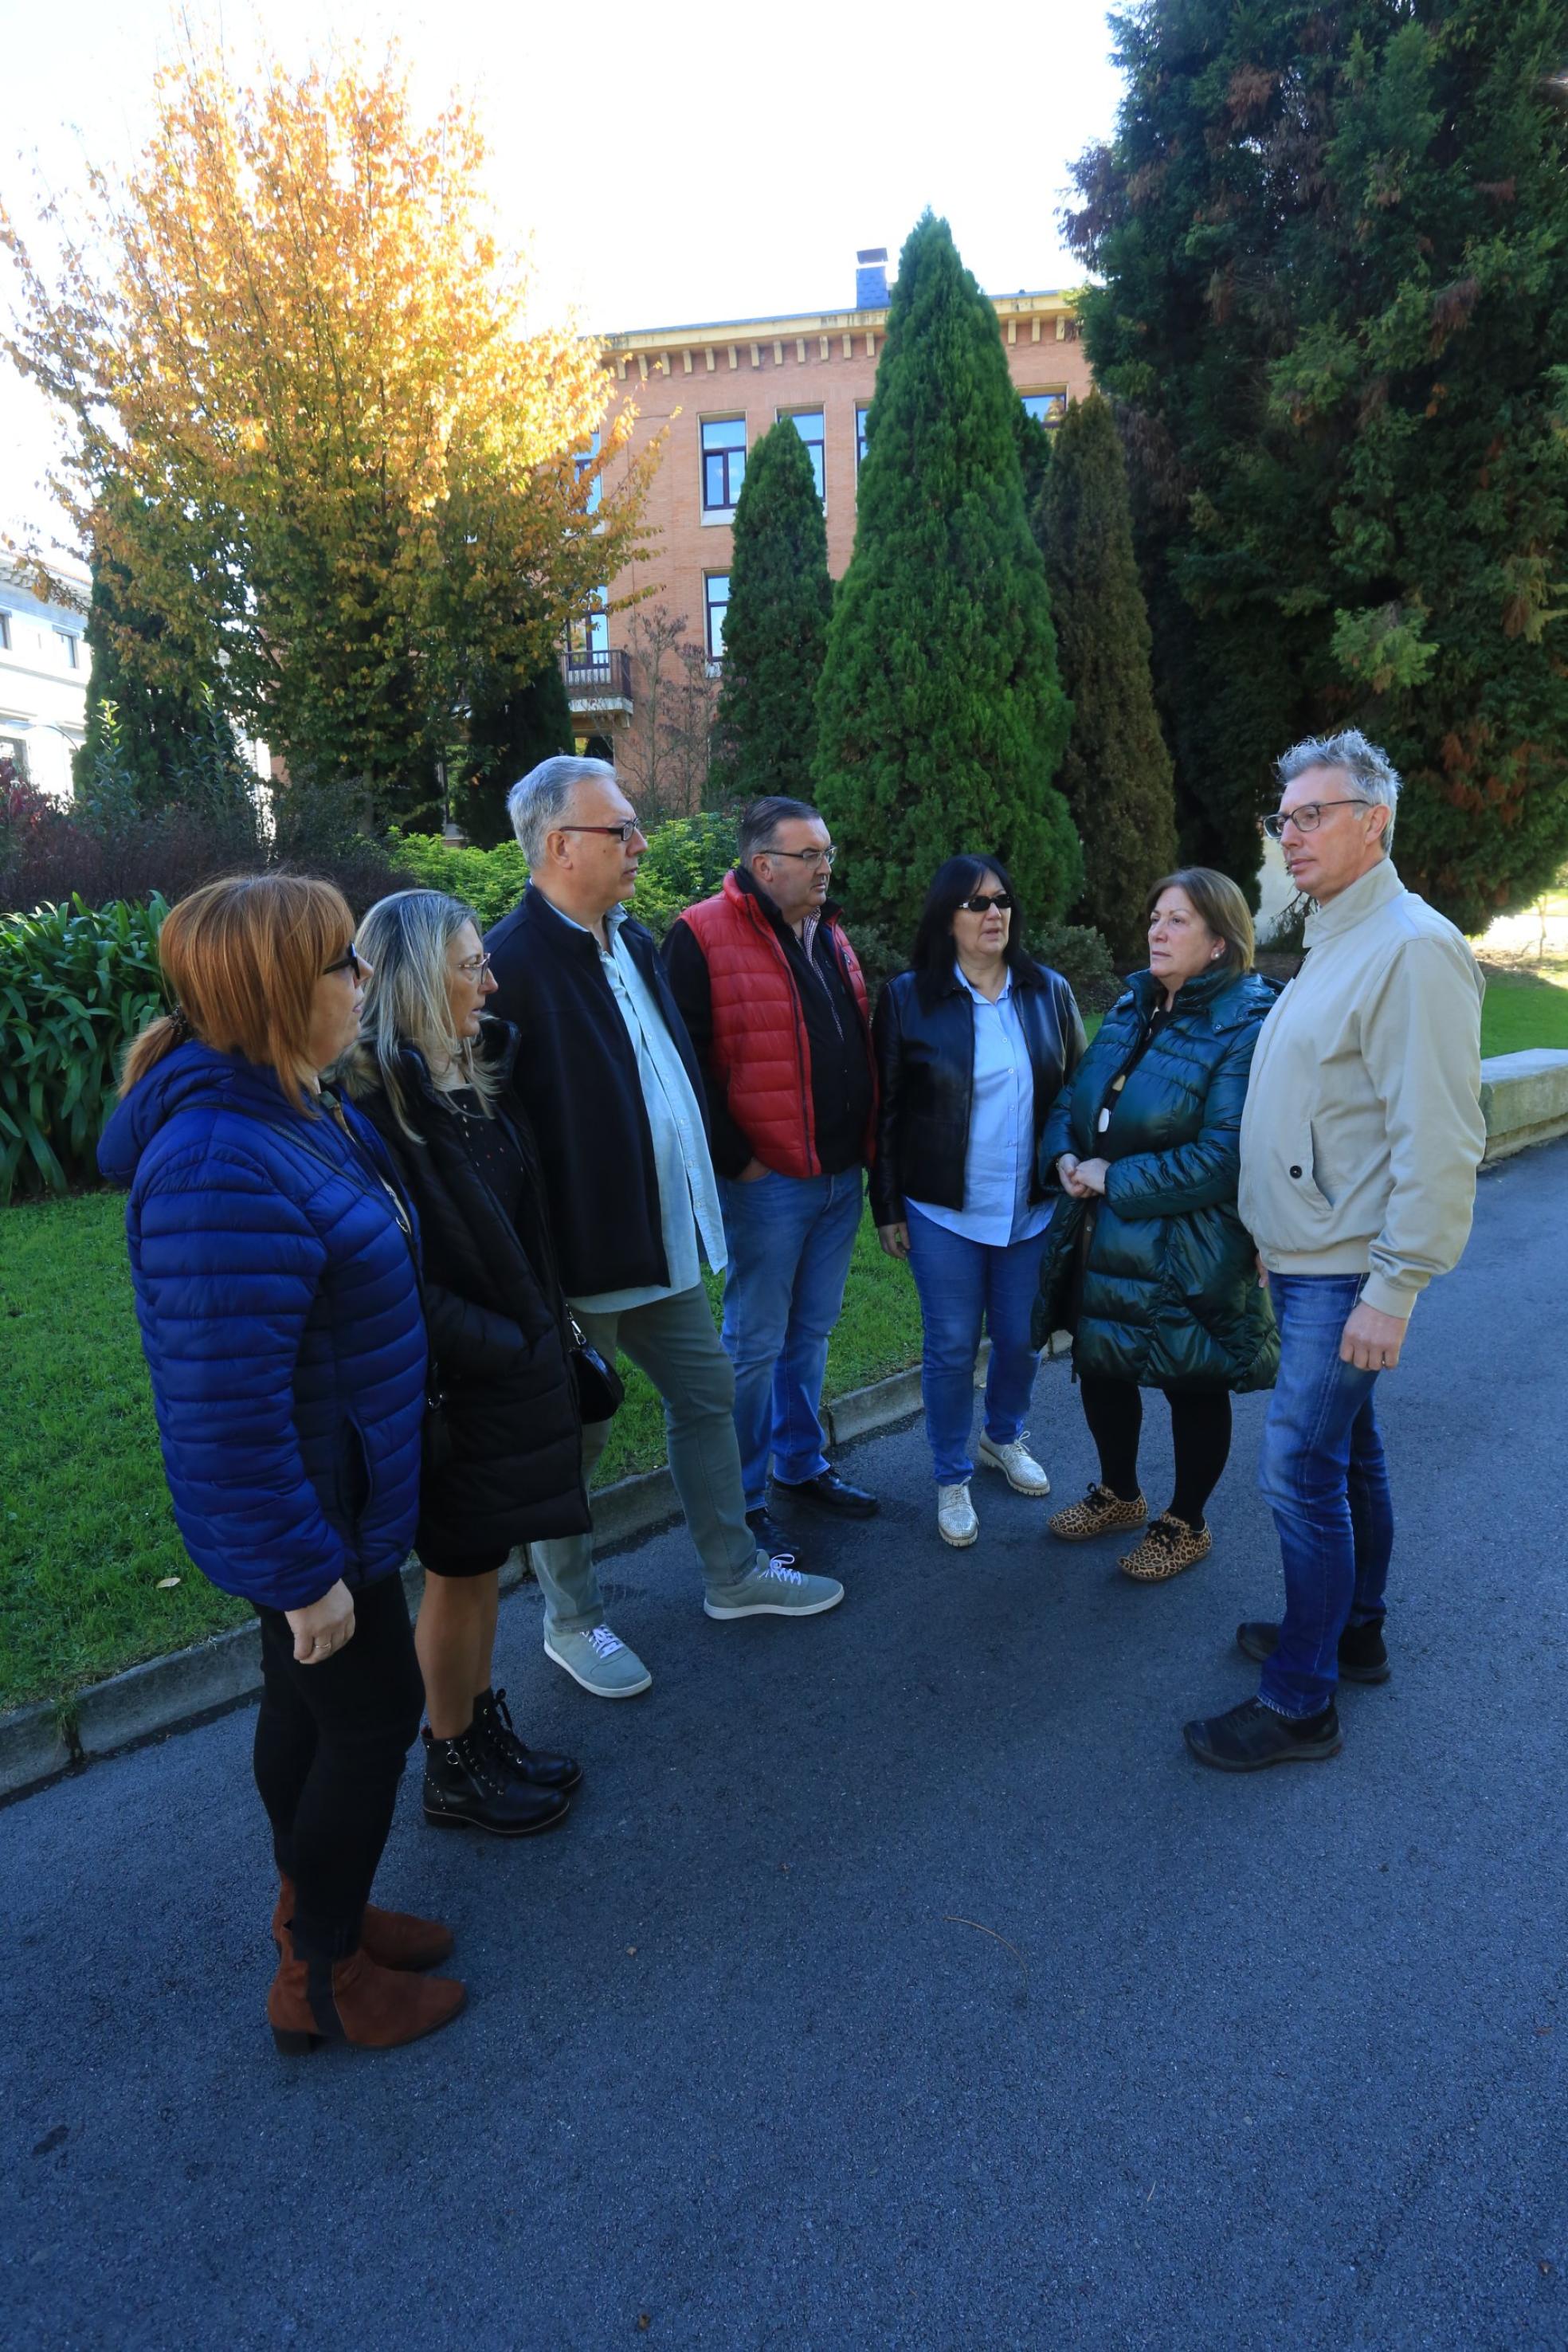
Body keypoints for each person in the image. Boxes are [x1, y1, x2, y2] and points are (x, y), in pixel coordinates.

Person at [97, 875, 464, 2056]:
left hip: (339, 1488)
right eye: (341, 968)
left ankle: (319, 1908)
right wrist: (303, 1573)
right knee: (373, 1715)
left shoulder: (299, 1108)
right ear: (273, 989)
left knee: (306, 1707)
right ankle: (324, 1977)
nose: (362, 984)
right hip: (309, 1512)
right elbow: (223, 1406)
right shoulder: (218, 1158)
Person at [484, 756, 845, 1700]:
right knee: (574, 1444)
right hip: (580, 1263)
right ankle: (572, 1621)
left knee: (709, 1393)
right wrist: (538, 1271)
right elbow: (496, 1138)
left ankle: (733, 1574)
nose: (642, 845)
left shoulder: (631, 940)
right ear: (560, 846)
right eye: (622, 831)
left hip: (663, 1242)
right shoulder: (509, 965)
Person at [1183, 731, 1485, 1771]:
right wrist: (1277, 1234)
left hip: (1353, 1271)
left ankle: (1302, 1699)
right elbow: (1324, 1112)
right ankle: (1350, 1634)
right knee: (1348, 1457)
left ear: (1375, 822)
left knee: (1299, 1473)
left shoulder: (1412, 946)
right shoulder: (1338, 937)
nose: (1290, 835)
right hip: (1312, 1259)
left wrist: (1394, 1289)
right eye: (1285, 817)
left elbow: (1439, 1135)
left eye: (1313, 815)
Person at [339, 888, 588, 1837]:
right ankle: (451, 1764)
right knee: (456, 1565)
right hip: (455, 1378)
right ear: (412, 980)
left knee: (483, 1561)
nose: (491, 979)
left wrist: (534, 1334)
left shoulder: (471, 1078)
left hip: (508, 1367)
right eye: (470, 965)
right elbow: (400, 1272)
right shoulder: (375, 1107)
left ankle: (483, 1732)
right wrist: (509, 1343)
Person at [1038, 869, 1279, 1579]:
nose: (1156, 930)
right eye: (1155, 916)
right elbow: (1074, 1097)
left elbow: (1224, 1154)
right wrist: (1064, 1154)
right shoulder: (1131, 1004)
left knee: (1190, 1376)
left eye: (1177, 920)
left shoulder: (1244, 1019)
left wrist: (1117, 1178)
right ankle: (1119, 1493)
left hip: (1190, 1243)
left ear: (1219, 942)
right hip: (1103, 1231)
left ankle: (1187, 1521)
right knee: (1103, 1361)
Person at [664, 795, 879, 1555]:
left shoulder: (827, 933)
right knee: (753, 1343)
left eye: (827, 853)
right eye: (810, 856)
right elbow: (681, 1065)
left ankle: (800, 1462)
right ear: (764, 865)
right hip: (767, 1183)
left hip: (834, 1177)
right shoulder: (699, 934)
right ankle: (744, 1497)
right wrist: (738, 1160)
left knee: (810, 1332)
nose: (827, 867)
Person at [872, 855, 1085, 1547]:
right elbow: (888, 1113)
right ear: (947, 918)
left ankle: (1003, 1436)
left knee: (1022, 1340)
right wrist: (889, 1206)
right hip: (943, 1211)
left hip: (1031, 1209)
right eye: (974, 903)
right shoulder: (908, 998)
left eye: (1001, 899)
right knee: (952, 1345)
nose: (993, 913)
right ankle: (951, 1473)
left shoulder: (1046, 991)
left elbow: (1077, 1093)